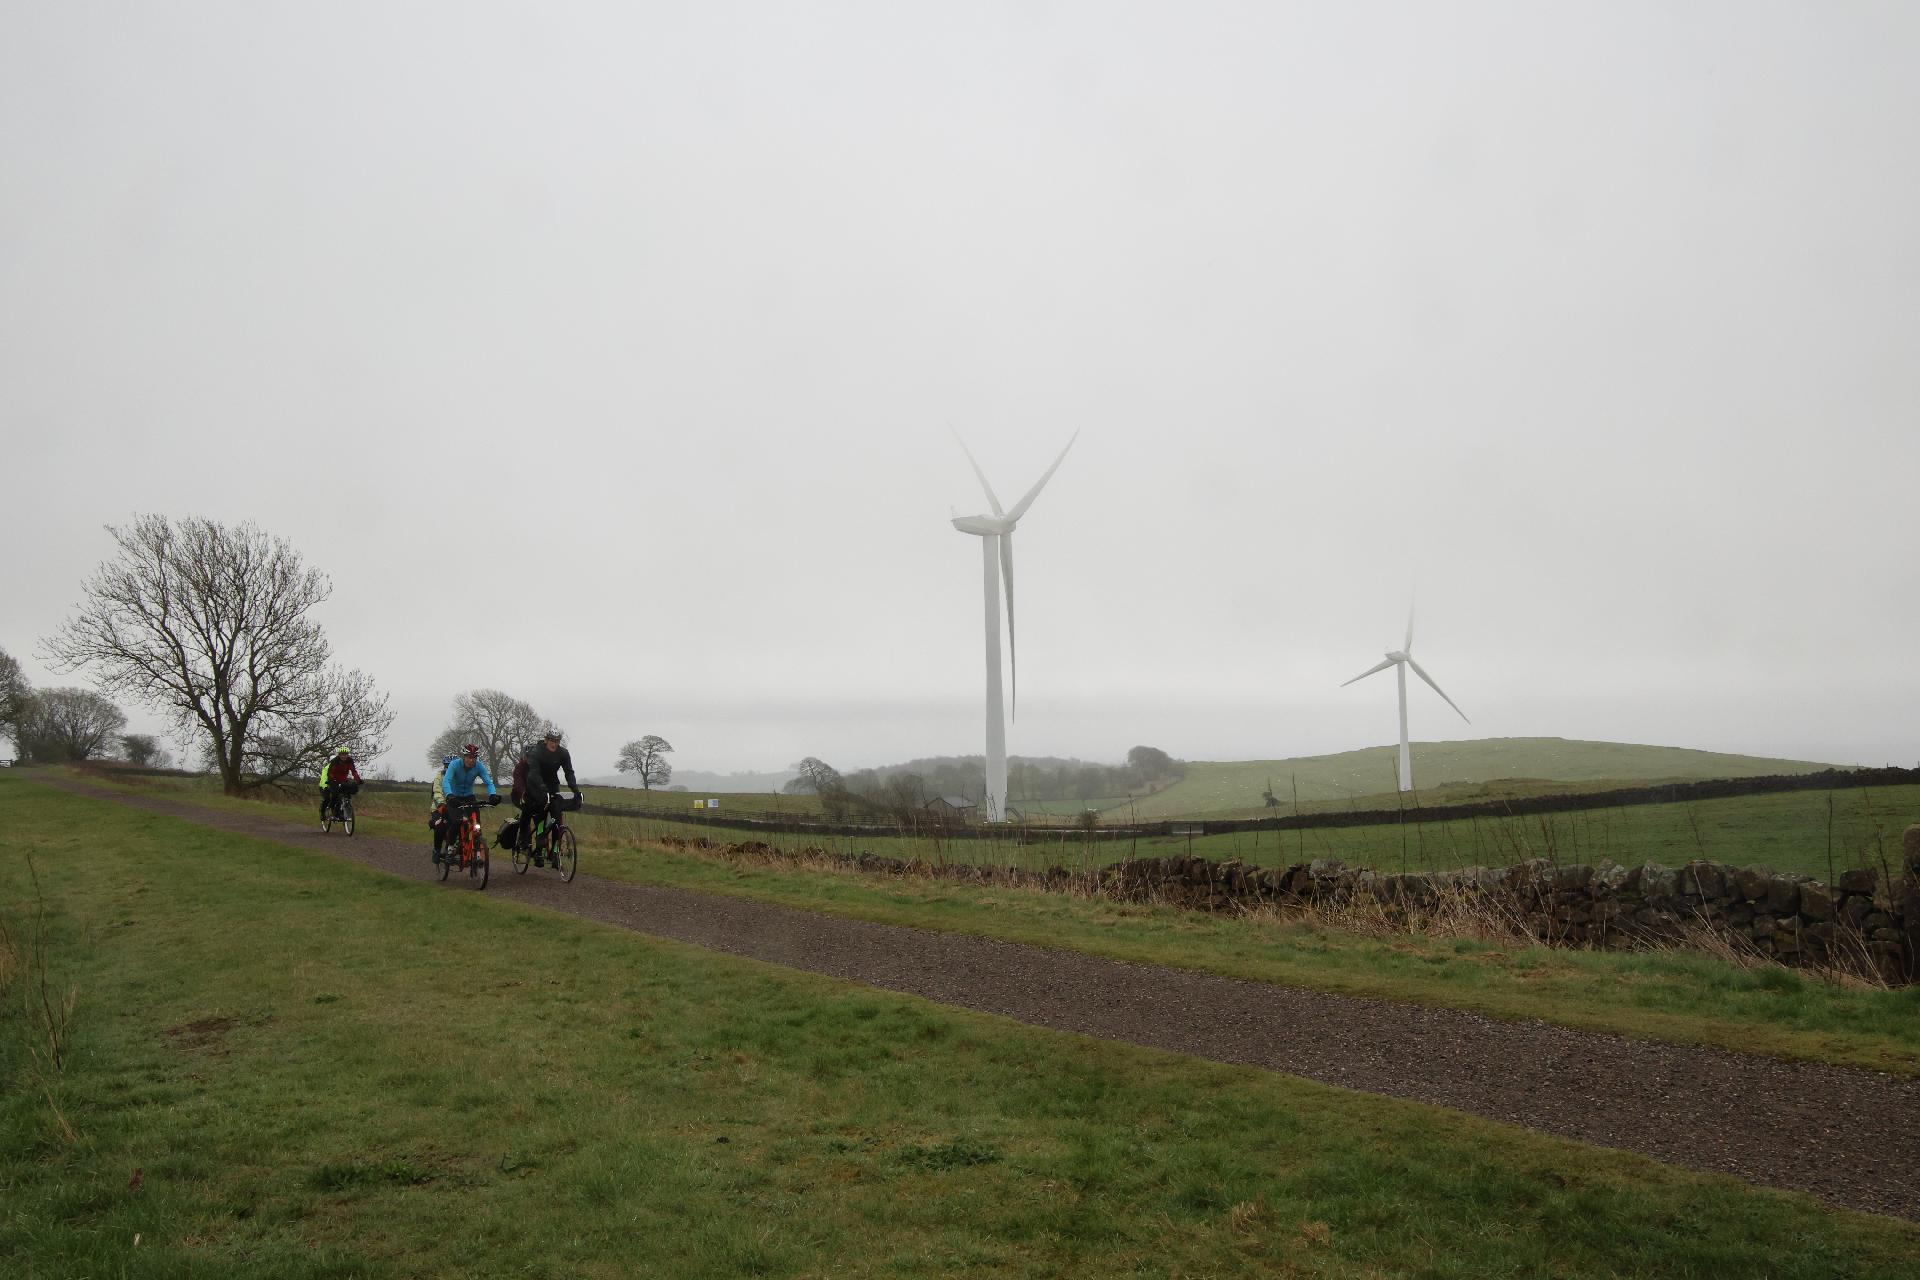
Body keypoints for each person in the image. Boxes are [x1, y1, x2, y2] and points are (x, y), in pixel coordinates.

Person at [520, 725, 581, 866]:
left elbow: (569, 772)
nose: (554, 743)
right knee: (540, 816)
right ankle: (538, 848)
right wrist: (542, 788)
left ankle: (555, 854)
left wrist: (575, 790)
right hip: (536, 784)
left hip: (553, 785)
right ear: (546, 740)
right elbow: (534, 773)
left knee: (557, 820)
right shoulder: (537, 752)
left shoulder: (563, 753)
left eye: (557, 741)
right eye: (551, 740)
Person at [437, 743, 500, 863]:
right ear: (463, 756)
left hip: (469, 797)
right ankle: (450, 848)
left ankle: (476, 850)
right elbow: (446, 781)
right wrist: (449, 795)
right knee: (457, 821)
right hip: (454, 797)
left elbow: (489, 782)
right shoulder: (455, 765)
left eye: (474, 757)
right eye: (469, 757)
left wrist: (492, 795)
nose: (471, 760)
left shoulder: (479, 766)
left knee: (477, 825)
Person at [318, 747, 361, 823]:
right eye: (342, 754)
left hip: (341, 781)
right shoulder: (330, 765)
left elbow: (353, 771)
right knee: (329, 798)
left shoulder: (349, 761)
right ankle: (323, 812)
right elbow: (326, 776)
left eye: (345, 754)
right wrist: (327, 785)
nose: (344, 756)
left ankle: (344, 811)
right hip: (328, 783)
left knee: (345, 793)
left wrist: (357, 779)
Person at [428, 754, 456, 862]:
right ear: (444, 766)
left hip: (455, 807)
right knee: (441, 826)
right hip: (439, 807)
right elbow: (437, 792)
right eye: (447, 766)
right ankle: (437, 850)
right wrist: (441, 803)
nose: (449, 768)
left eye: (452, 766)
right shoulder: (439, 776)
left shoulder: (459, 777)